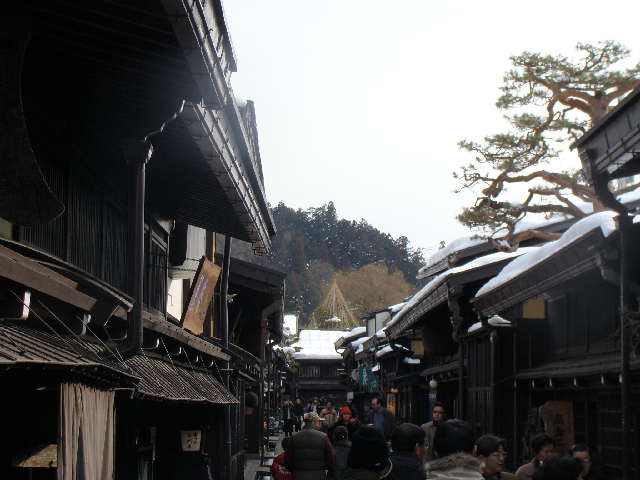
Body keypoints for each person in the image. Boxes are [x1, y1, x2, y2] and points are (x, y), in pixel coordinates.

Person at [285, 412, 335, 480]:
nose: (321, 423)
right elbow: (330, 457)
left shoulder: (294, 437)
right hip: (318, 475)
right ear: (314, 422)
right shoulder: (323, 437)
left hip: (299, 474)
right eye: (319, 421)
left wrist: (294, 470)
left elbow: (288, 458)